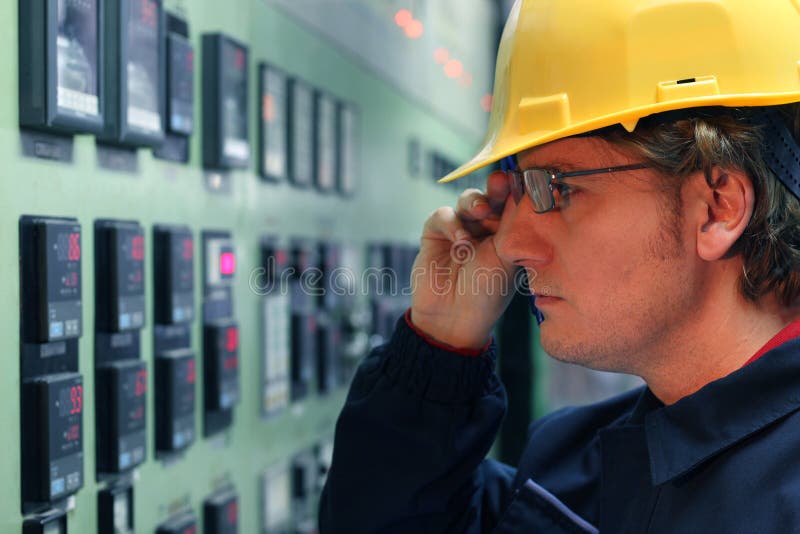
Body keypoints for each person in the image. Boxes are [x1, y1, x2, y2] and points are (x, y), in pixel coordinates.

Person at [319, 0, 800, 531]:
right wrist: (440, 344)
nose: (510, 243)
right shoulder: (571, 468)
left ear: (716, 208)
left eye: (558, 187)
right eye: (519, 186)